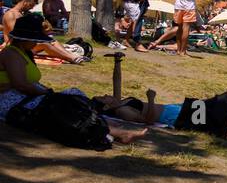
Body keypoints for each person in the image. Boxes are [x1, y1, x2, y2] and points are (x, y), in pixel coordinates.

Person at [0, 14, 146, 144]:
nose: (35, 43)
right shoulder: (11, 54)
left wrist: (45, 91)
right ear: (25, 38)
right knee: (65, 104)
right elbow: (20, 84)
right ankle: (116, 132)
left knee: (73, 94)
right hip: (11, 101)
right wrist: (46, 93)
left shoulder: (22, 53)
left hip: (23, 97)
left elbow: (28, 84)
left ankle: (103, 123)